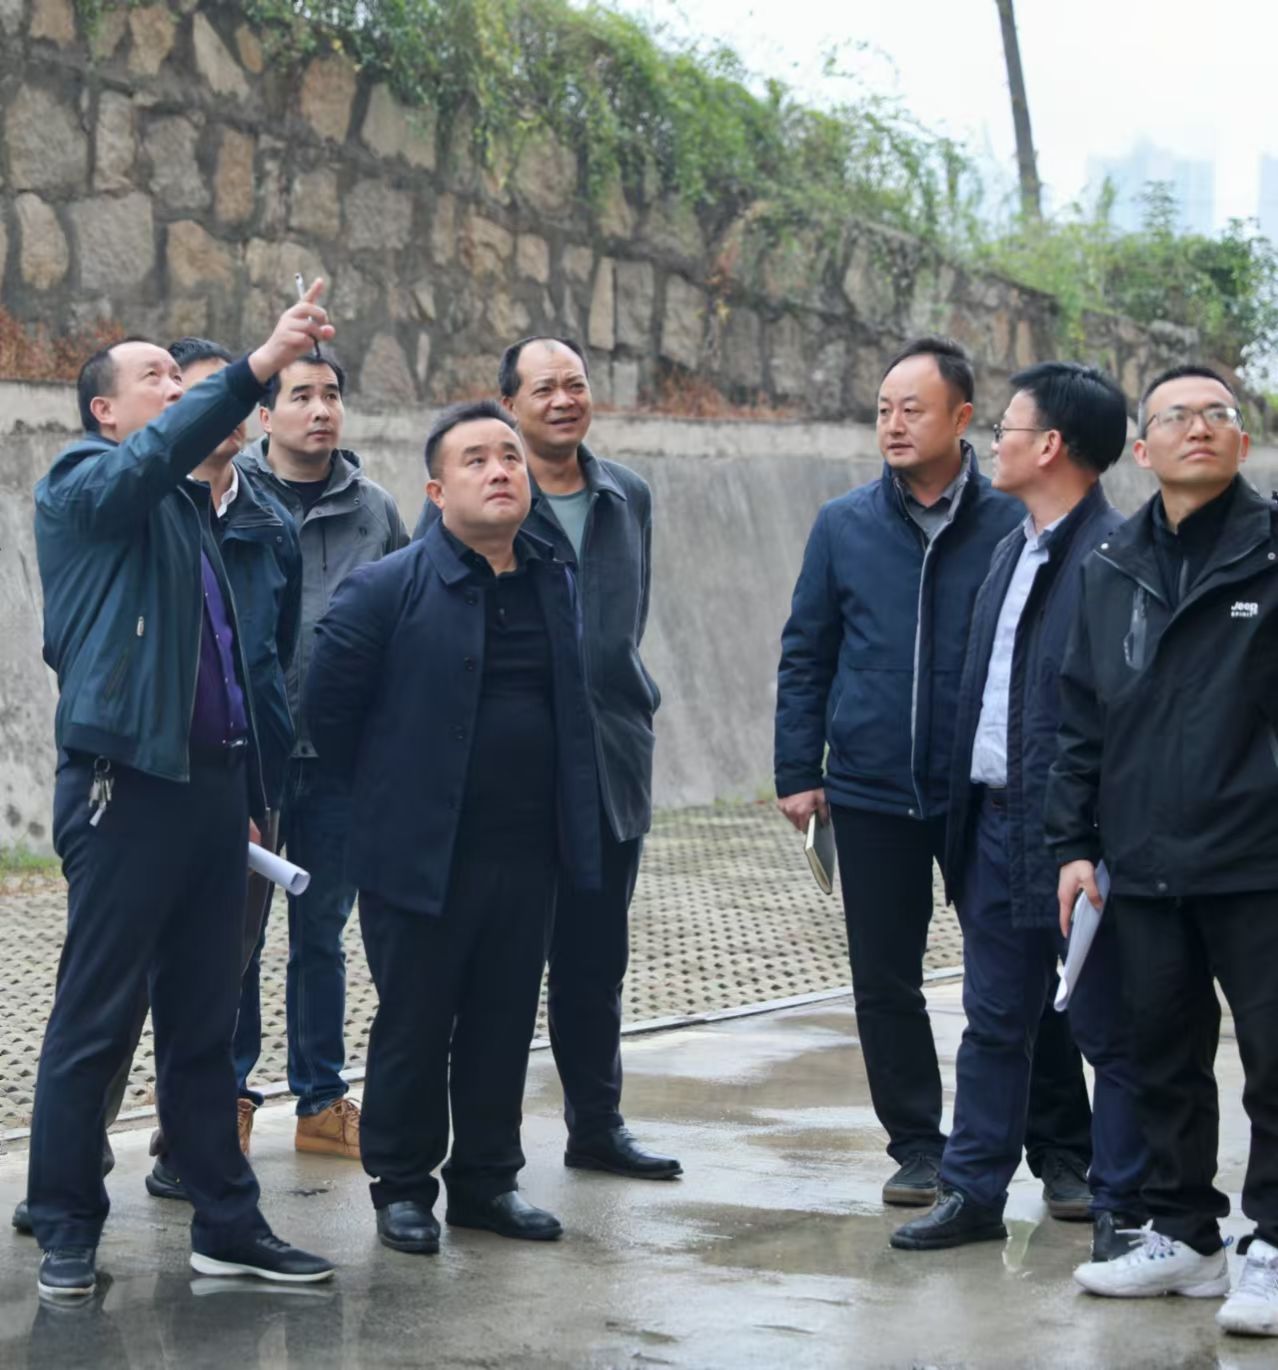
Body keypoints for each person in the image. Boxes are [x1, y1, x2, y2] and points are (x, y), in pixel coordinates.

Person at [27, 286, 336, 1298]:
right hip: (125, 786)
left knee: (206, 1024)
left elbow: (235, 665)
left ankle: (226, 1221)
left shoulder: (192, 511)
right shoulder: (83, 484)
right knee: (96, 1016)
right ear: (103, 410)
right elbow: (154, 459)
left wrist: (244, 786)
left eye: (180, 374)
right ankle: (67, 1222)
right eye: (154, 375)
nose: (174, 387)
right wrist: (257, 364)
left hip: (214, 792)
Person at [774, 336, 1094, 1211]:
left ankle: (1063, 1153)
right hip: (871, 790)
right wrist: (799, 768)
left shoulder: (1012, 524)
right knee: (885, 980)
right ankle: (918, 1146)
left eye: (912, 409)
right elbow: (806, 653)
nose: (893, 424)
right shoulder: (843, 525)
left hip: (986, 794)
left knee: (1024, 976)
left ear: (963, 419)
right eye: (883, 410)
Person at [306, 400, 603, 1251]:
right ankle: (402, 1187)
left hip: (527, 849)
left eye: (508, 456)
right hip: (419, 854)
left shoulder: (552, 576)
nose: (500, 470)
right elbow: (329, 716)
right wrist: (394, 796)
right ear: (437, 492)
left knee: (503, 1021)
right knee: (415, 1022)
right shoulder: (385, 588)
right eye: (475, 460)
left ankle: (486, 1182)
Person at [890, 362, 1148, 1256]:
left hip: (1081, 840)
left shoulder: (1120, 559)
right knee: (995, 1022)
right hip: (995, 826)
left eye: (1006, 428)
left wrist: (1090, 839)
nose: (992, 442)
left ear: (1050, 447)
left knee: (1108, 1030)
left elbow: (1118, 718)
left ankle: (1121, 1207)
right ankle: (973, 1193)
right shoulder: (1012, 549)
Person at [414, 337, 679, 1181]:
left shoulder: (626, 496)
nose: (564, 400)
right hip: (511, 771)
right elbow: (431, 610)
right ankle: (472, 1154)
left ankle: (596, 1126)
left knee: (595, 962)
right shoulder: (481, 494)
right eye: (543, 389)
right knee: (494, 969)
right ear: (509, 404)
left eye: (576, 384)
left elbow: (624, 624)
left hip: (609, 759)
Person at [1048, 366, 1278, 1337]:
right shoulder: (1110, 563)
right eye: (1177, 416)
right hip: (1142, 860)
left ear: (1243, 441)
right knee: (1162, 1056)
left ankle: (1273, 1243)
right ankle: (1185, 1232)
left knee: (1273, 1059)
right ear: (1142, 449)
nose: (1200, 427)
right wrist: (1073, 844)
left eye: (1218, 414)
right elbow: (1079, 718)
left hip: (1259, 858)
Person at [235, 353, 408, 1160]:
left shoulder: (376, 510)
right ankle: (228, 1096)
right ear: (265, 415)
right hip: (250, 758)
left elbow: (405, 622)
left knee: (322, 934)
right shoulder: (231, 496)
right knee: (235, 937)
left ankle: (321, 1099)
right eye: (300, 395)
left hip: (341, 758)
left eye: (332, 394)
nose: (320, 409)